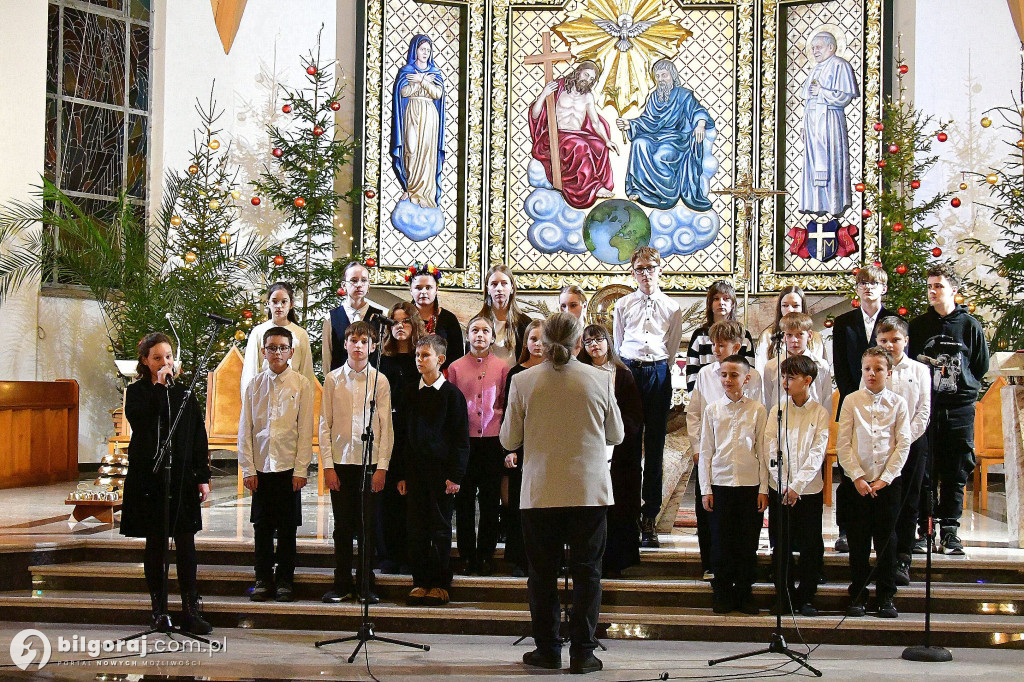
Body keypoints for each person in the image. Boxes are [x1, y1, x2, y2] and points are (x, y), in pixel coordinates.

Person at [501, 312, 624, 674]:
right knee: (588, 573)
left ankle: (548, 649)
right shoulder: (599, 378)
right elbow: (616, 434)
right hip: (588, 491)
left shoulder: (523, 381)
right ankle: (583, 652)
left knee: (542, 574)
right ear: (576, 342)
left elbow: (508, 439)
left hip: (540, 492)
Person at [120, 333, 212, 635]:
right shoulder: (137, 392)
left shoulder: (185, 393)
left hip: (182, 478)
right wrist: (159, 387)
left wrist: (202, 476)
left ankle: (190, 609)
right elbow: (143, 420)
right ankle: (158, 610)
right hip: (150, 478)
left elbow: (198, 434)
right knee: (156, 544)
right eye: (158, 357)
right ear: (146, 361)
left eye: (169, 356)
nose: (165, 362)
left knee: (186, 544)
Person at [908, 263, 989, 555]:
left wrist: (960, 387)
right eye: (929, 286)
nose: (932, 291)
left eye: (938, 286)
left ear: (953, 290)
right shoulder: (918, 327)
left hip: (959, 408)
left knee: (956, 468)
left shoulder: (970, 326)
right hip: (927, 407)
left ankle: (950, 531)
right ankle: (925, 528)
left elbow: (980, 365)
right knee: (924, 470)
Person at [238, 326, 314, 603]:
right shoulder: (254, 384)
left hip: (288, 469)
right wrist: (247, 468)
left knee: (287, 527)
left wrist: (301, 469)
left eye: (283, 347)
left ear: (291, 352)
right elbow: (245, 429)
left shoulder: (302, 385)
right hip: (261, 467)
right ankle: (262, 578)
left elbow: (305, 430)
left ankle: (285, 579)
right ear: (263, 352)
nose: (277, 352)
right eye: (272, 347)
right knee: (262, 526)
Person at [613, 246, 683, 548]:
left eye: (650, 267)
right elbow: (617, 344)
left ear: (660, 269)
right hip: (630, 372)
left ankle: (649, 516)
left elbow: (672, 344)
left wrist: (657, 370)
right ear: (632, 272)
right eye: (640, 268)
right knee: (627, 443)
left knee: (655, 446)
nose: (645, 274)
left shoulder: (672, 307)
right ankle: (624, 514)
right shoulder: (623, 305)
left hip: (657, 373)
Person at [394, 334, 471, 606]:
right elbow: (402, 436)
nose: (419, 360)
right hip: (415, 473)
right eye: (417, 355)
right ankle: (420, 582)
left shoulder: (452, 396)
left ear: (440, 359)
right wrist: (401, 474)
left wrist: (456, 475)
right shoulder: (410, 393)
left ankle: (439, 582)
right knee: (416, 528)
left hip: (442, 474)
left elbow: (461, 439)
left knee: (439, 528)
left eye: (425, 356)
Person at [319, 321, 393, 604]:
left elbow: (386, 427)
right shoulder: (333, 379)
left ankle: (365, 583)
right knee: (342, 527)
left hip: (370, 463)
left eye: (365, 342)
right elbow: (325, 424)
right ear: (346, 345)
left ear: (373, 347)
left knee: (367, 527)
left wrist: (382, 466)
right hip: (340, 462)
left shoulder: (380, 381)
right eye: (354, 341)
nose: (359, 346)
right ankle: (341, 583)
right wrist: (327, 465)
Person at [837, 347, 911, 618]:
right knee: (857, 539)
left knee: (886, 540)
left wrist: (885, 479)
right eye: (867, 368)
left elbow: (903, 444)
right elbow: (843, 443)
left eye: (878, 369)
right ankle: (857, 592)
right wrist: (856, 476)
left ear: (888, 373)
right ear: (861, 370)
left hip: (887, 483)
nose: (872, 373)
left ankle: (885, 595)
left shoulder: (898, 403)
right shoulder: (851, 401)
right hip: (857, 482)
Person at [686, 320, 762, 582]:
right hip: (712, 455)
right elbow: (694, 413)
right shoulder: (706, 374)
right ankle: (711, 566)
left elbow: (758, 418)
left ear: (737, 346)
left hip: (744, 461)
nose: (716, 349)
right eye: (714, 344)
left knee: (742, 528)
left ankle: (743, 576)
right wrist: (697, 447)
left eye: (722, 344)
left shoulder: (753, 376)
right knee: (709, 515)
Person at [831, 265, 897, 553]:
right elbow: (841, 367)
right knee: (849, 470)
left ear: (883, 288)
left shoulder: (892, 321)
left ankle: (884, 530)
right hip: (853, 404)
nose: (868, 287)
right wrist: (852, 400)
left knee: (884, 465)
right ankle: (846, 530)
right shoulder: (845, 322)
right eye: (863, 283)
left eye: (875, 283)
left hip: (885, 405)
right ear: (857, 289)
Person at [699, 355, 768, 615]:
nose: (728, 380)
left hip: (750, 485)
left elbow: (763, 450)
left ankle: (745, 592)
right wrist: (706, 489)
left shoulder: (758, 410)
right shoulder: (712, 410)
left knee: (747, 542)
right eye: (724, 375)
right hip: (721, 484)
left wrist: (763, 489)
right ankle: (723, 592)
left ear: (746, 378)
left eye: (734, 375)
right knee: (721, 542)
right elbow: (706, 451)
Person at [763, 355, 830, 617]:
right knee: (782, 543)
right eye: (784, 377)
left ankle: (806, 596)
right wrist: (783, 484)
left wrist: (797, 486)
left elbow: (817, 452)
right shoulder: (777, 410)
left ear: (807, 381)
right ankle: (784, 595)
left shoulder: (819, 412)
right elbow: (770, 445)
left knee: (811, 544)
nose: (785, 382)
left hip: (808, 490)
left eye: (791, 378)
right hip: (780, 487)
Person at [447, 314, 510, 576]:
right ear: (467, 335)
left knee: (488, 501)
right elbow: (450, 406)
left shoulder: (503, 367)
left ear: (493, 337)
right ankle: (466, 554)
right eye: (475, 330)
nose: (480, 335)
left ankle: (485, 554)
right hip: (465, 442)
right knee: (463, 502)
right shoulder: (455, 367)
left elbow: (506, 403)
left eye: (485, 330)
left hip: (492, 441)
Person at [580, 323, 644, 578]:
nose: (594, 345)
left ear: (608, 341)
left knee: (618, 506)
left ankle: (617, 559)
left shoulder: (623, 373)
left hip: (618, 452)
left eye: (598, 339)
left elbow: (634, 415)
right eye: (588, 341)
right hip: (587, 448)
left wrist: (614, 433)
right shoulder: (580, 372)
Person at [871, 316, 930, 584]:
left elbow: (924, 410)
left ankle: (903, 556)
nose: (890, 345)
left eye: (895, 340)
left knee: (909, 499)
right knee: (886, 502)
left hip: (912, 444)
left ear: (905, 341)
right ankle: (884, 555)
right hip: (882, 446)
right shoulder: (873, 369)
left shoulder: (919, 370)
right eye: (884, 340)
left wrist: (904, 440)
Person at [617, 58, 716, 212]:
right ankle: (640, 190)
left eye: (664, 75)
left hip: (677, 139)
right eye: (658, 76)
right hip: (656, 136)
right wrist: (630, 124)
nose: (661, 79)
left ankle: (667, 195)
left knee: (660, 156)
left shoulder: (683, 95)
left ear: (672, 76)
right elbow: (648, 120)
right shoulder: (654, 97)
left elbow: (698, 111)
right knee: (639, 143)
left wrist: (700, 124)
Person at [376, 302, 427, 574]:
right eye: (395, 322)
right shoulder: (381, 360)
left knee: (412, 496)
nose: (400, 326)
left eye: (405, 321)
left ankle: (411, 554)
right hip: (387, 434)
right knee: (388, 497)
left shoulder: (421, 359)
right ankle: (388, 554)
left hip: (414, 434)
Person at [529, 60, 618, 209]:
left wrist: (607, 140)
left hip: (577, 135)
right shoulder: (558, 89)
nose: (587, 80)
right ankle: (593, 186)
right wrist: (544, 93)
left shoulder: (588, 96)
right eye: (586, 75)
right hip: (556, 137)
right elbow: (535, 114)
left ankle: (589, 185)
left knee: (599, 146)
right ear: (578, 72)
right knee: (580, 145)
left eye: (591, 79)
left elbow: (595, 122)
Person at [501, 319, 546, 577]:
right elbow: (510, 414)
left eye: (543, 340)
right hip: (522, 447)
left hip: (547, 448)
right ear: (526, 343)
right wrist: (510, 450)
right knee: (521, 504)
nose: (538, 345)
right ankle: (520, 558)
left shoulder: (555, 372)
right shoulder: (516, 373)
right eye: (533, 339)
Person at [799, 31, 859, 216]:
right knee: (812, 163)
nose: (815, 51)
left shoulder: (840, 66)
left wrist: (823, 91)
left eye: (819, 47)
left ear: (831, 47)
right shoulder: (815, 69)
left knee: (831, 161)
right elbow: (809, 99)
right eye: (813, 48)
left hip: (830, 121)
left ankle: (833, 203)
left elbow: (845, 96)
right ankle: (816, 203)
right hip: (812, 122)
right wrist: (803, 124)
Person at [391, 34, 445, 208]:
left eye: (428, 50)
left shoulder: (434, 73)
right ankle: (411, 188)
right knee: (411, 149)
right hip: (412, 112)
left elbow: (437, 94)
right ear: (415, 50)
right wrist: (419, 83)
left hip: (429, 115)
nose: (425, 53)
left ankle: (426, 195)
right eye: (422, 49)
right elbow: (403, 92)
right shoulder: (407, 70)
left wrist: (421, 80)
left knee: (428, 154)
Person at [242, 282, 317, 394]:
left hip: (292, 393)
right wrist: (250, 398)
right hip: (264, 391)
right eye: (275, 301)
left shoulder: (300, 334)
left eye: (284, 302)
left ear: (291, 305)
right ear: (268, 303)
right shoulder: (258, 332)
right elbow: (250, 370)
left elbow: (306, 371)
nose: (279, 306)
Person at [685, 280, 755, 394]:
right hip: (706, 395)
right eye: (716, 299)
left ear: (732, 304)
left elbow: (749, 369)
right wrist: (695, 397)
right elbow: (692, 372)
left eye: (726, 298)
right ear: (710, 304)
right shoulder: (700, 335)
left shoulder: (743, 336)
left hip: (737, 395)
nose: (721, 302)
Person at [762, 312, 833, 417]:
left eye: (800, 334)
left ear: (809, 335)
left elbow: (826, 398)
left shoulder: (821, 365)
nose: (794, 340)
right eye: (789, 335)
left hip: (812, 420)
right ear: (783, 337)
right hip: (782, 421)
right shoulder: (772, 366)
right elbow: (768, 399)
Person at [324, 261, 386, 372]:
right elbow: (327, 355)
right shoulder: (331, 317)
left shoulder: (379, 317)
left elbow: (382, 355)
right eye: (353, 280)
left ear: (368, 285)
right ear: (344, 285)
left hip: (370, 383)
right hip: (340, 382)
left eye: (363, 280)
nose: (359, 285)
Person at [753, 286, 827, 377]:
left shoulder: (815, 337)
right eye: (785, 305)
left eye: (795, 306)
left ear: (802, 308)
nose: (790, 310)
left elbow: (822, 371)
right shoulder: (768, 335)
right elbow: (761, 372)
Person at [408, 263, 464, 370]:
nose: (423, 292)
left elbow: (457, 357)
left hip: (440, 376)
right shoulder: (404, 317)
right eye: (418, 288)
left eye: (428, 288)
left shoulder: (449, 319)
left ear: (436, 289)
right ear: (411, 290)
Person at [477, 263, 532, 367]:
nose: (499, 288)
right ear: (488, 289)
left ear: (512, 288)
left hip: (515, 379)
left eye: (504, 283)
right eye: (494, 284)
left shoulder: (525, 323)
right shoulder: (478, 322)